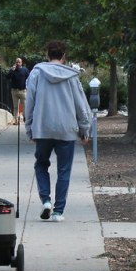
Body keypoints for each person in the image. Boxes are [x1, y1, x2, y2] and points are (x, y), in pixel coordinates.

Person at [24, 41, 92, 222]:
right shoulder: (71, 76)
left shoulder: (36, 73)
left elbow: (29, 101)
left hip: (43, 127)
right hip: (66, 129)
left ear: (47, 55)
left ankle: (46, 200)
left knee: (41, 164)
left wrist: (29, 127)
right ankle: (58, 212)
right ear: (64, 56)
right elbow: (80, 104)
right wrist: (84, 128)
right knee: (64, 170)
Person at [6, 57, 29, 124]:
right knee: (15, 106)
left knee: (24, 105)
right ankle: (16, 120)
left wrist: (27, 87)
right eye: (17, 62)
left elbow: (29, 78)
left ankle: (25, 119)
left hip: (23, 90)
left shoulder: (25, 70)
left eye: (19, 62)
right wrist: (12, 70)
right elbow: (7, 77)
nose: (18, 63)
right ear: (15, 63)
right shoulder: (12, 70)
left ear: (21, 63)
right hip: (14, 91)